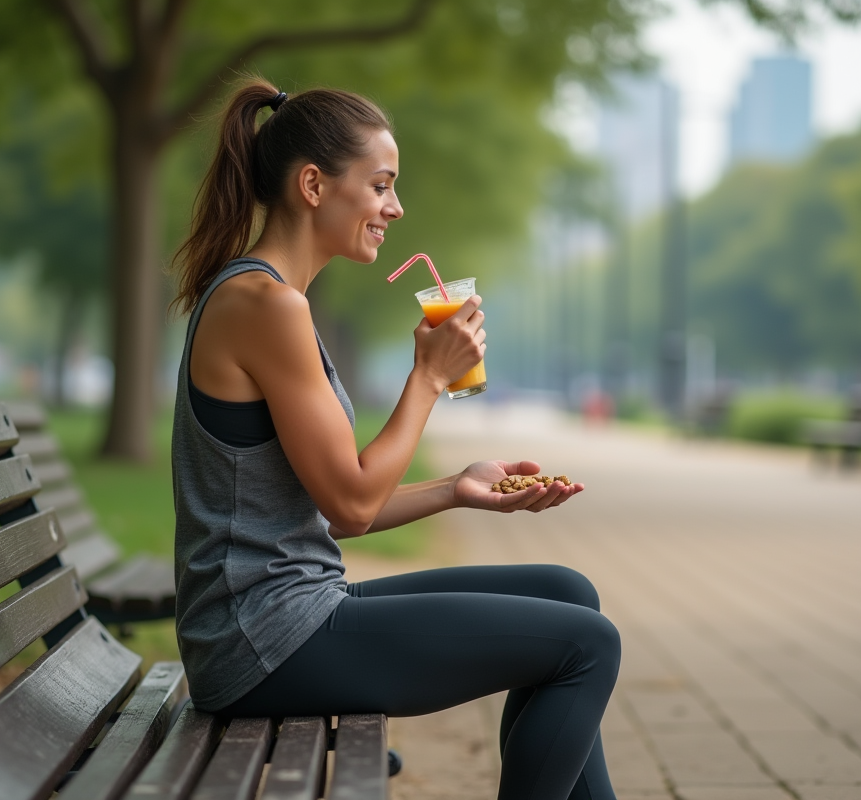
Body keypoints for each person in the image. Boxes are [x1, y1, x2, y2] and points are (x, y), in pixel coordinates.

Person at [169, 78, 621, 800]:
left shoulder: (269, 300)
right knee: (588, 647)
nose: (395, 207)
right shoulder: (265, 305)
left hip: (287, 616)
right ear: (314, 185)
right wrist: (428, 380)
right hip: (264, 643)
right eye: (380, 185)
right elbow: (349, 509)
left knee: (570, 593)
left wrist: (456, 489)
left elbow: (336, 497)